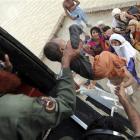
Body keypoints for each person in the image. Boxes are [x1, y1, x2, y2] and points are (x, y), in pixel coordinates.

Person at [0, 41, 79, 140]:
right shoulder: (16, 106)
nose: (3, 64)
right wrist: (66, 63)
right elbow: (66, 104)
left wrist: (7, 76)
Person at [44, 38, 135, 88]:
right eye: (64, 42)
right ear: (62, 49)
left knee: (100, 58)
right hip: (96, 69)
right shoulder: (69, 55)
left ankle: (118, 79)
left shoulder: (64, 64)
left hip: (94, 74)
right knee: (105, 53)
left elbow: (71, 80)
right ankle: (122, 62)